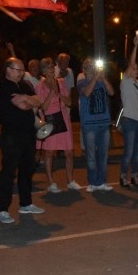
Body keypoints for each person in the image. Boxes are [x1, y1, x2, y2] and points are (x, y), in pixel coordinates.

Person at [0, 57, 44, 223]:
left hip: (28, 133)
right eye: (18, 70)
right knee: (8, 172)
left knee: (27, 170)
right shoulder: (2, 87)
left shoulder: (24, 86)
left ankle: (26, 203)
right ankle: (2, 209)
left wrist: (25, 98)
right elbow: (25, 106)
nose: (22, 73)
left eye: (23, 70)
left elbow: (38, 101)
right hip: (12, 136)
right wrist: (29, 102)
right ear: (8, 69)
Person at [37, 57, 81, 192]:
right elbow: (43, 107)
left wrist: (59, 94)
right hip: (49, 120)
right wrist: (51, 92)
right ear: (43, 71)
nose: (51, 70)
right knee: (49, 153)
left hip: (63, 118)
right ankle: (51, 183)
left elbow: (68, 102)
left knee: (69, 152)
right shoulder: (39, 86)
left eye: (52, 68)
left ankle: (70, 180)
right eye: (48, 68)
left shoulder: (61, 82)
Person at [77, 56, 115, 191]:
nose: (91, 68)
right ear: (84, 70)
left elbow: (111, 92)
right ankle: (92, 182)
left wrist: (103, 78)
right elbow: (86, 93)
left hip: (104, 124)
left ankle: (102, 181)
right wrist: (94, 78)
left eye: (92, 66)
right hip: (89, 125)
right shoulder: (81, 82)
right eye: (88, 66)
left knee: (103, 155)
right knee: (91, 154)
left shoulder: (101, 81)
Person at [119, 36, 138, 186]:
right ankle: (124, 175)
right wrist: (135, 46)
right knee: (129, 151)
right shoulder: (126, 82)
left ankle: (135, 176)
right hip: (129, 120)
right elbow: (131, 63)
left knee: (137, 153)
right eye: (133, 68)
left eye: (137, 68)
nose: (136, 69)